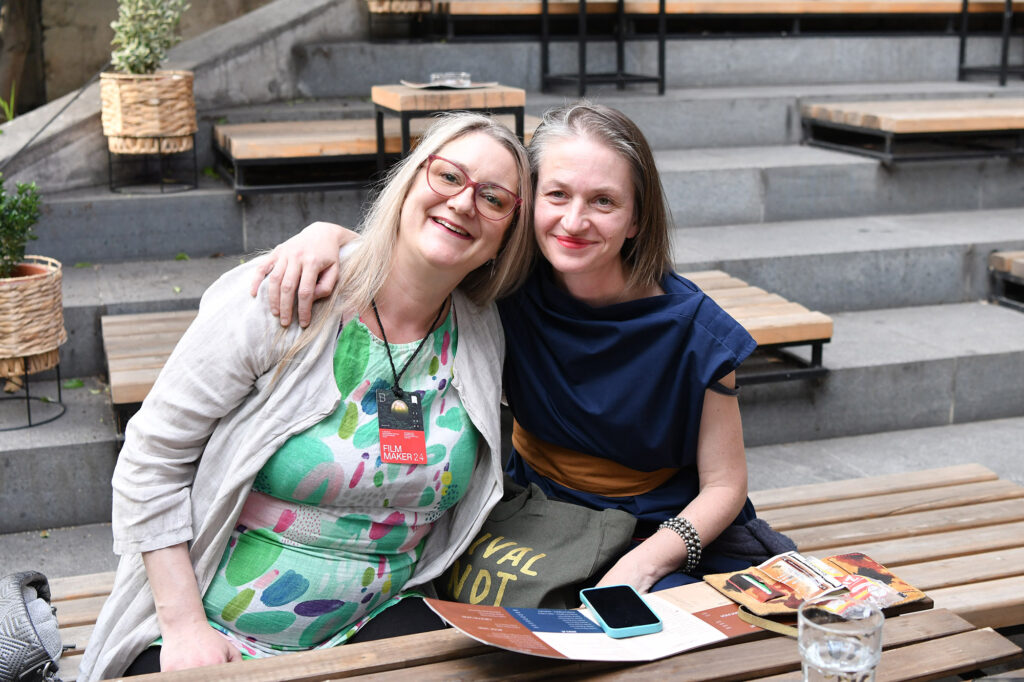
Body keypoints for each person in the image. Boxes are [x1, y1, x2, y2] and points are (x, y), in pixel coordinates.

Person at [253, 102, 793, 599]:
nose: (575, 222)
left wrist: (646, 564)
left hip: (657, 527)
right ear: (528, 203)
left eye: (603, 201)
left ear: (636, 220)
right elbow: (423, 244)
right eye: (557, 195)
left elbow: (725, 484)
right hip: (532, 513)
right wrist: (328, 237)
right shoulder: (504, 285)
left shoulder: (698, 334)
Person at [79, 112, 536, 680]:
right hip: (213, 628)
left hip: (377, 623)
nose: (465, 202)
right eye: (448, 177)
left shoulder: (482, 330)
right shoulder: (286, 294)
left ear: (507, 235)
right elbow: (150, 457)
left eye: (493, 197)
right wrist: (183, 629)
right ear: (409, 181)